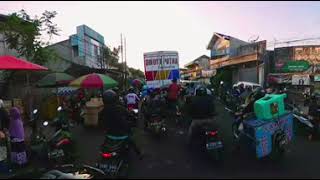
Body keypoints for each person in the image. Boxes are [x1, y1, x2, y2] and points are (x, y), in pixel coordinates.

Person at [98, 90, 143, 158]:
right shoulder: (119, 108)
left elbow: (100, 124)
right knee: (131, 140)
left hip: (109, 135)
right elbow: (130, 116)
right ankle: (139, 154)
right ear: (115, 99)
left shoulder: (102, 112)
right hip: (122, 135)